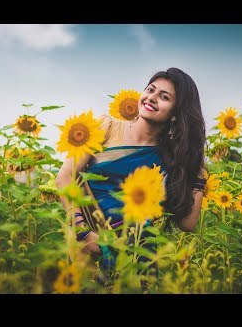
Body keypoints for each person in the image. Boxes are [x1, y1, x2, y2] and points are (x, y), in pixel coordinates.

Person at [55, 67, 206, 272]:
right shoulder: (105, 127)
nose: (152, 98)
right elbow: (65, 177)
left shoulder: (170, 159)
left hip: (138, 256)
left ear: (175, 113)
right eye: (150, 90)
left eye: (163, 97)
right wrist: (83, 233)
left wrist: (197, 174)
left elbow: (187, 224)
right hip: (89, 247)